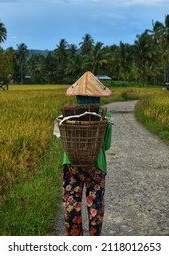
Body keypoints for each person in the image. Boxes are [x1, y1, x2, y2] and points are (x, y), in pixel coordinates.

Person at [61, 71, 112, 236]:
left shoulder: (68, 114)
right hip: (96, 166)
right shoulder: (106, 114)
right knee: (95, 205)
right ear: (98, 95)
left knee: (72, 205)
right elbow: (106, 145)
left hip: (71, 164)